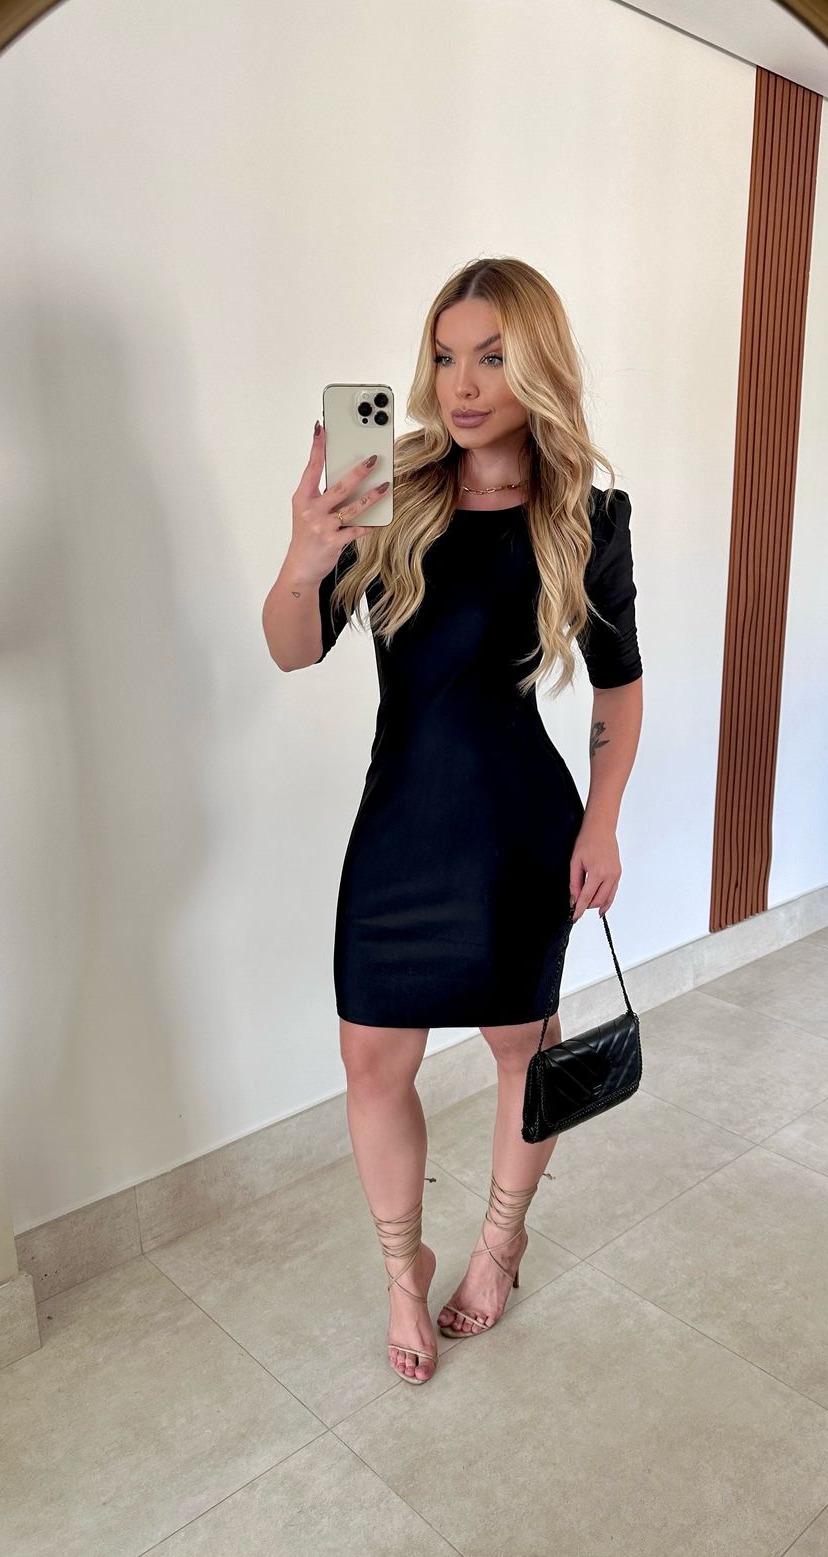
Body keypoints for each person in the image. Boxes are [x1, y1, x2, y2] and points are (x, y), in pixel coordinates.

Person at [262, 258, 644, 1385]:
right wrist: (305, 555)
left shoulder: (586, 516)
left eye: (490, 357)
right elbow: (291, 649)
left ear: (538, 366)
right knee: (371, 1057)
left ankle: (499, 1248)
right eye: (443, 356)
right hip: (401, 828)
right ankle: (403, 1269)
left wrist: (604, 822)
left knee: (524, 1047)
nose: (461, 384)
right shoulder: (390, 489)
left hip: (518, 832)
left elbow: (620, 686)